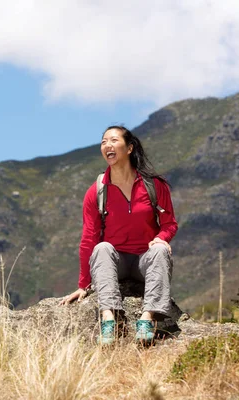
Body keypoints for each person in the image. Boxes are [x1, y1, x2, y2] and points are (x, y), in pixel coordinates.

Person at [59, 125, 178, 345]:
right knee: (101, 247)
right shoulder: (97, 190)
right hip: (116, 263)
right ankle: (109, 320)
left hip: (145, 261)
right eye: (103, 142)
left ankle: (147, 318)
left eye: (113, 140)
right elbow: (89, 238)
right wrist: (83, 285)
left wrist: (162, 237)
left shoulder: (154, 185)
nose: (107, 145)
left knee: (161, 249)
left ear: (130, 147)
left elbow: (169, 223)